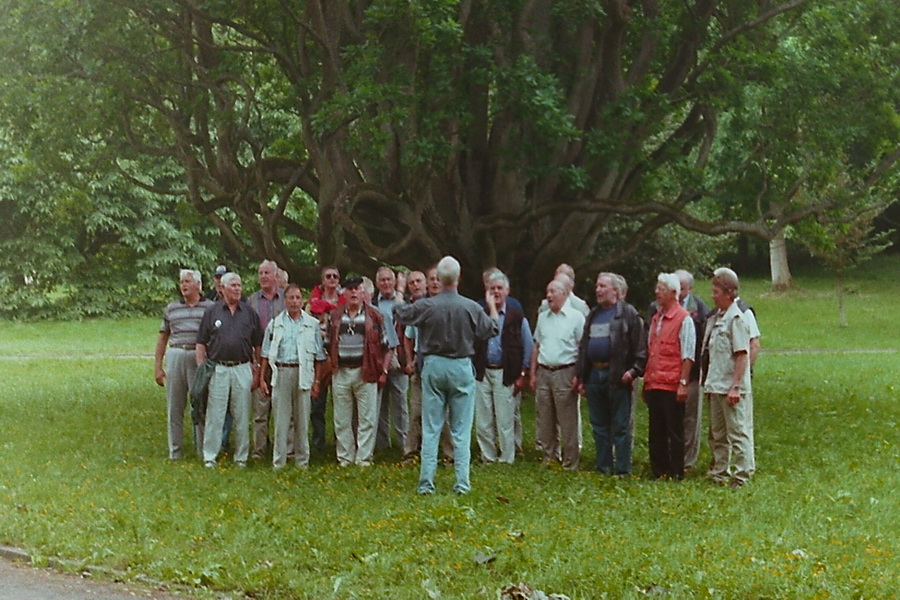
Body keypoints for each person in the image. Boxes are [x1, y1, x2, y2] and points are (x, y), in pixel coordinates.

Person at [394, 256, 499, 495]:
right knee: (461, 430)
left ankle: (426, 483)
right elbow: (492, 329)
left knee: (431, 428)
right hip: (461, 366)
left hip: (433, 365)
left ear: (439, 279)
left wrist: (400, 290)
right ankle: (462, 483)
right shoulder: (470, 307)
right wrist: (492, 306)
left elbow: (400, 313)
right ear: (458, 278)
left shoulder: (427, 306)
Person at [574, 272, 646, 476]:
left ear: (615, 290)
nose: (598, 290)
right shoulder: (593, 315)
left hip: (617, 377)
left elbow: (640, 348)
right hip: (594, 375)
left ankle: (622, 469)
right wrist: (581, 377)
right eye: (597, 286)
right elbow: (584, 347)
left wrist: (632, 372)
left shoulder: (627, 313)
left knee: (620, 426)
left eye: (603, 286)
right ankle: (603, 466)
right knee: (599, 425)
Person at [196, 272, 263, 468]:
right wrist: (202, 368)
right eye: (233, 285)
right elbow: (201, 342)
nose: (237, 288)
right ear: (222, 288)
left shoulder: (249, 313)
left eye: (239, 285)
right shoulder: (212, 312)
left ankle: (241, 458)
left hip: (242, 368)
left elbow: (258, 344)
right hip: (218, 369)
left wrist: (257, 368)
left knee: (242, 415)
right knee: (215, 414)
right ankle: (210, 456)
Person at [325, 277, 392, 467]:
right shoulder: (335, 316)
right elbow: (328, 344)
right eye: (350, 289)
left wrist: (383, 370)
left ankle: (363, 458)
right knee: (341, 419)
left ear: (363, 292)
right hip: (341, 372)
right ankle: (345, 457)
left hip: (366, 371)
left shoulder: (376, 316)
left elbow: (386, 346)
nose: (354, 292)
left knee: (367, 419)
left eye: (357, 289)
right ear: (344, 293)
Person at [259, 284, 326, 469]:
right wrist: (262, 378)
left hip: (303, 373)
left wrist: (317, 382)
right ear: (285, 300)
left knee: (302, 420)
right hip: (281, 372)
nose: (295, 302)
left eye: (298, 298)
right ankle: (279, 462)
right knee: (281, 421)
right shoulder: (275, 324)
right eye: (291, 298)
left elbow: (319, 357)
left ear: (303, 301)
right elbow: (265, 353)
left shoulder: (312, 324)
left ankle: (302, 461)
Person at [702, 267, 754, 488]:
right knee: (718, 433)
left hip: (730, 387)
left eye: (716, 292)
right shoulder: (717, 318)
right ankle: (720, 472)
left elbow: (742, 355)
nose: (712, 296)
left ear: (729, 293)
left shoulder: (737, 319)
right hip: (716, 385)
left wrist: (736, 386)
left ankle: (742, 474)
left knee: (738, 432)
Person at [472, 270, 533, 464]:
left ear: (507, 291)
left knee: (505, 418)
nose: (496, 292)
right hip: (482, 372)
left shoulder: (517, 316)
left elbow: (528, 345)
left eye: (500, 288)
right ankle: (488, 456)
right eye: (492, 289)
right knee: (483, 419)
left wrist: (523, 373)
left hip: (505, 373)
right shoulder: (480, 314)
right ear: (486, 292)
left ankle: (507, 458)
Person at [154, 269, 214, 459]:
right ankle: (175, 451)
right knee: (175, 406)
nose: (183, 285)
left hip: (199, 357)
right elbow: (163, 338)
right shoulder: (172, 308)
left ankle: (203, 450)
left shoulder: (210, 307)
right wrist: (158, 367)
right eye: (181, 282)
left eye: (187, 281)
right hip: (176, 354)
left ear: (198, 285)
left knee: (200, 403)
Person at [643, 273, 696, 480]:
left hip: (672, 383)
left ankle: (676, 471)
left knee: (674, 430)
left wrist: (683, 383)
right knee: (656, 430)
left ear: (673, 293)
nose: (656, 292)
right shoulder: (656, 318)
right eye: (657, 288)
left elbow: (688, 354)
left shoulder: (684, 319)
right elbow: (651, 351)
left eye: (661, 289)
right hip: (655, 382)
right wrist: (647, 381)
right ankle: (659, 470)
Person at [530, 279, 585, 470]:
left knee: (567, 420)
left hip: (565, 371)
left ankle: (570, 461)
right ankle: (549, 457)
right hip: (544, 371)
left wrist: (579, 375)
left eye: (553, 291)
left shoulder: (576, 317)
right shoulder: (543, 317)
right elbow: (537, 346)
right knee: (545, 418)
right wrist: (533, 373)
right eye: (547, 291)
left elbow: (582, 348)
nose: (549, 295)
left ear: (564, 293)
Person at [248, 260, 285, 460]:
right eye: (260, 273)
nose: (263, 276)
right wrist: (253, 363)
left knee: (283, 409)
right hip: (259, 359)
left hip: (282, 361)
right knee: (260, 410)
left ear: (275, 276)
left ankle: (283, 449)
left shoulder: (286, 299)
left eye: (267, 273)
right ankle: (259, 450)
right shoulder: (251, 302)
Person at [673, 269, 710, 471]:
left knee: (690, 419)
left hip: (693, 374)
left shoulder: (701, 310)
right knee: (670, 418)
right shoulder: (657, 308)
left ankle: (687, 462)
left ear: (691, 289)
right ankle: (671, 457)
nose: (678, 292)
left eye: (682, 288)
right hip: (668, 374)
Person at [308, 266, 346, 450]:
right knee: (317, 402)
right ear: (322, 281)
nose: (332, 279)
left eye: (335, 276)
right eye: (328, 276)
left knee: (341, 402)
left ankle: (341, 441)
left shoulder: (345, 301)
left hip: (340, 356)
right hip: (319, 356)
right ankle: (318, 442)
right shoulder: (313, 302)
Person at [373, 266, 408, 452]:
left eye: (389, 279)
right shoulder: (372, 302)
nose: (386, 283)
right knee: (380, 404)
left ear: (395, 282)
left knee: (400, 401)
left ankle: (405, 444)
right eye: (382, 280)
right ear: (377, 283)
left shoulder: (404, 301)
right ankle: (382, 444)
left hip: (399, 356)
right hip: (380, 357)